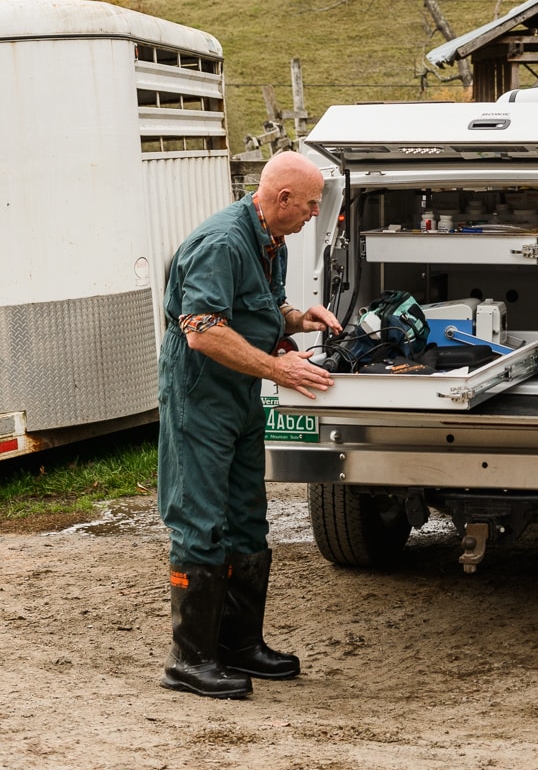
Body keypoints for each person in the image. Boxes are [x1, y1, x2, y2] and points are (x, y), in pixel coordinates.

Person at [157, 150, 342, 699]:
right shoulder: (220, 243)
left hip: (239, 395)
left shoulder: (270, 240)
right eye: (309, 205)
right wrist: (275, 366)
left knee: (246, 518)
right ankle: (190, 660)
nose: (314, 213)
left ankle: (239, 643)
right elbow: (204, 330)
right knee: (200, 517)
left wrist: (295, 319)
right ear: (282, 198)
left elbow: (258, 305)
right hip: (201, 395)